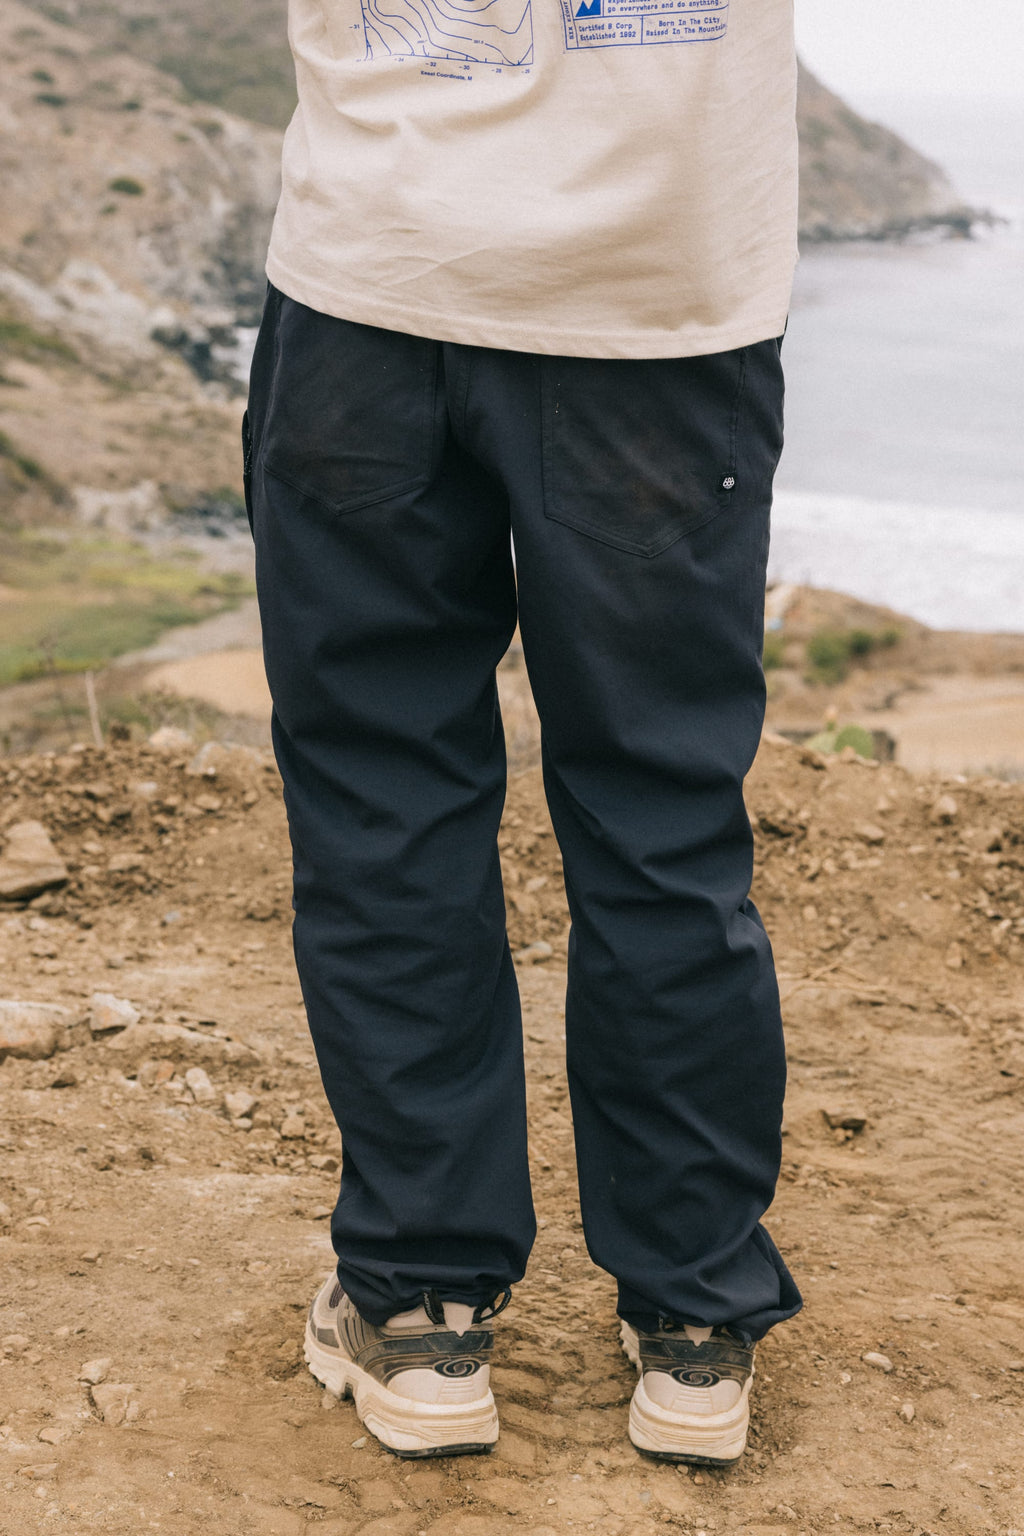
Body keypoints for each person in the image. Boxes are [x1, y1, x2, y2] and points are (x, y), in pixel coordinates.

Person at [244, 0, 803, 1465]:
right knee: (662, 819)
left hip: (377, 277)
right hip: (657, 308)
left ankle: (422, 1309)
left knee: (384, 806)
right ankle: (693, 1324)